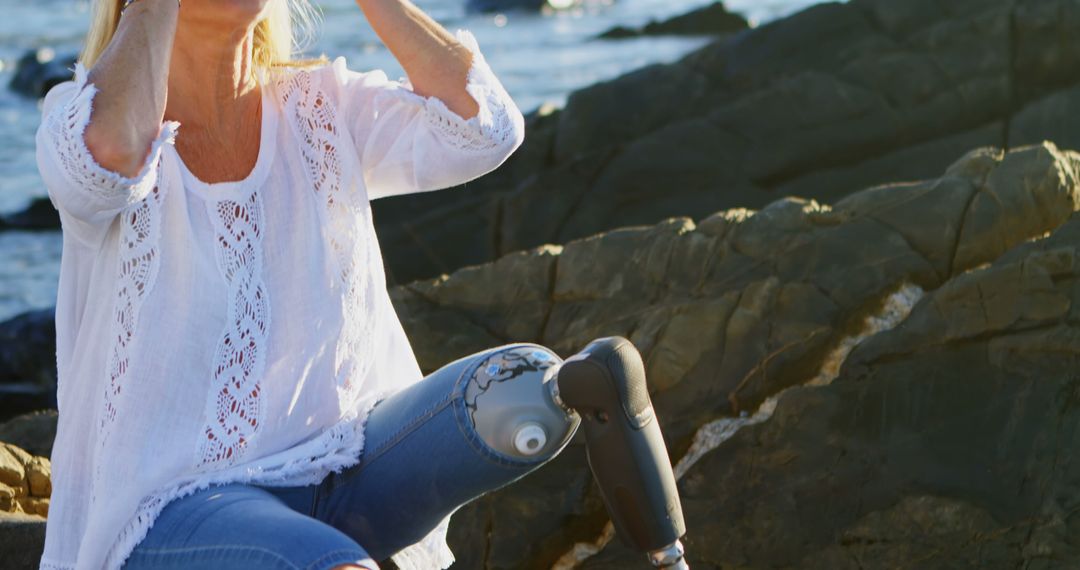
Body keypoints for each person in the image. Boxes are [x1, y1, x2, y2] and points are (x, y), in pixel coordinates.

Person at [35, 0, 688, 569]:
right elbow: (110, 160)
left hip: (349, 467)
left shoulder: (321, 106)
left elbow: (486, 128)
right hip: (167, 508)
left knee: (539, 387)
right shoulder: (83, 119)